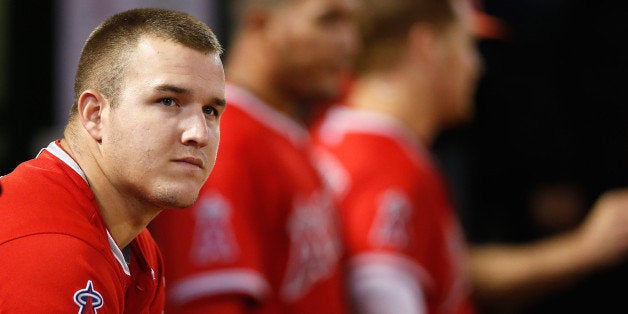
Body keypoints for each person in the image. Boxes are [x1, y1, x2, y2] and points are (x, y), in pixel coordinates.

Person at [310, 0, 628, 313]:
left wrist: (588, 247)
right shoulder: (380, 163)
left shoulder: (359, 142)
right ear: (426, 46)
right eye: (467, 46)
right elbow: (380, 288)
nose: (475, 65)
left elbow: (451, 274)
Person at [0, 8, 225, 313]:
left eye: (211, 110)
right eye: (168, 101)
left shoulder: (134, 242)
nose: (198, 134)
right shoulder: (50, 249)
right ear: (95, 115)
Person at [148, 0, 359, 313]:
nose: (349, 43)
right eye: (327, 20)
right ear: (260, 23)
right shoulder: (219, 139)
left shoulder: (284, 132)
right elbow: (213, 304)